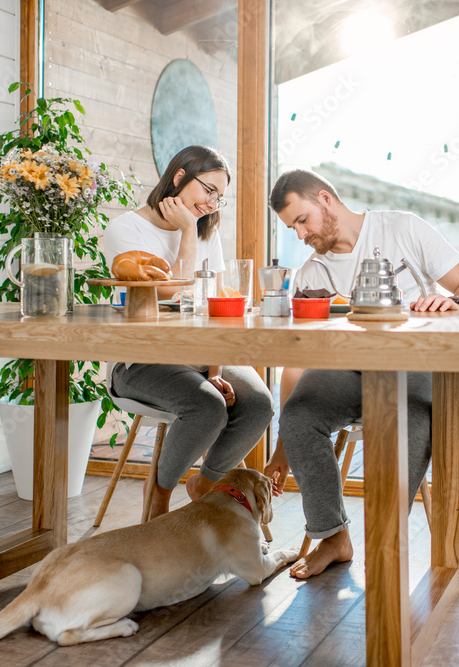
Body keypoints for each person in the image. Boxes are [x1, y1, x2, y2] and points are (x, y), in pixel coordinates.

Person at [264, 168, 459, 579]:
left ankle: (385, 545)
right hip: (349, 371)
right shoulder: (312, 276)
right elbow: (294, 360)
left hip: (416, 366)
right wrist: (281, 447)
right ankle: (333, 538)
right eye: (291, 226)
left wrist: (453, 302)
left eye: (301, 220)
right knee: (299, 417)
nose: (300, 235)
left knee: (407, 422)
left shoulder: (402, 228)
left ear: (325, 200)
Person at [103, 146, 273, 520]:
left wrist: (215, 370)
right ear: (179, 177)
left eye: (219, 198)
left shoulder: (207, 232)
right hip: (141, 362)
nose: (213, 203)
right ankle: (159, 493)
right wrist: (187, 232)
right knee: (207, 407)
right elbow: (168, 290)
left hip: (198, 355)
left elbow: (215, 309)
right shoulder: (125, 230)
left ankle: (206, 482)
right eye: (208, 190)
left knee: (260, 402)